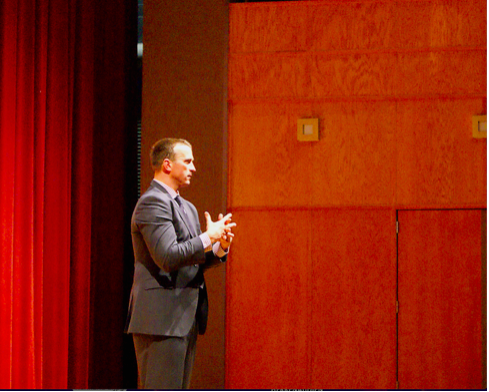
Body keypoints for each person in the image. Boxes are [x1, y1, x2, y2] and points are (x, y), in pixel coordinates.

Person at [125, 138, 235, 389]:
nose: (193, 167)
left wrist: (219, 248)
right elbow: (167, 257)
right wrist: (208, 237)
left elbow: (188, 260)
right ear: (167, 165)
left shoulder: (186, 207)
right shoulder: (152, 203)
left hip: (184, 316)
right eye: (187, 161)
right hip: (161, 319)